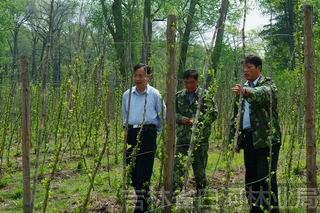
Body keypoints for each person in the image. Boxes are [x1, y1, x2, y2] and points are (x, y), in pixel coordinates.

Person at [230, 55, 281, 212]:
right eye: (244, 67)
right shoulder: (242, 88)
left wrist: (245, 91)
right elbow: (236, 116)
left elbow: (263, 93)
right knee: (251, 177)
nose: (245, 71)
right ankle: (255, 208)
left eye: (249, 67)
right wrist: (235, 140)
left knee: (265, 177)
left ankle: (271, 208)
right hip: (248, 138)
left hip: (267, 138)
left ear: (259, 68)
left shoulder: (268, 84)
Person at [122, 64, 166, 212]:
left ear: (148, 77)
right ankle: (145, 201)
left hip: (148, 134)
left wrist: (155, 131)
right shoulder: (127, 94)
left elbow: (163, 114)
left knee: (144, 172)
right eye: (136, 75)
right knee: (131, 170)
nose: (138, 78)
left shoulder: (154, 94)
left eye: (141, 76)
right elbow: (124, 115)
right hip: (131, 134)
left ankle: (141, 208)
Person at [174, 69, 218, 197]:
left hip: (200, 139)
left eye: (192, 82)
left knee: (199, 171)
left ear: (197, 81)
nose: (189, 85)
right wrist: (180, 119)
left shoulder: (206, 95)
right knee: (177, 170)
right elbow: (170, 113)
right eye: (186, 83)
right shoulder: (178, 96)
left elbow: (214, 114)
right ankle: (175, 197)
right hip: (182, 139)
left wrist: (198, 121)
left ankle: (201, 198)